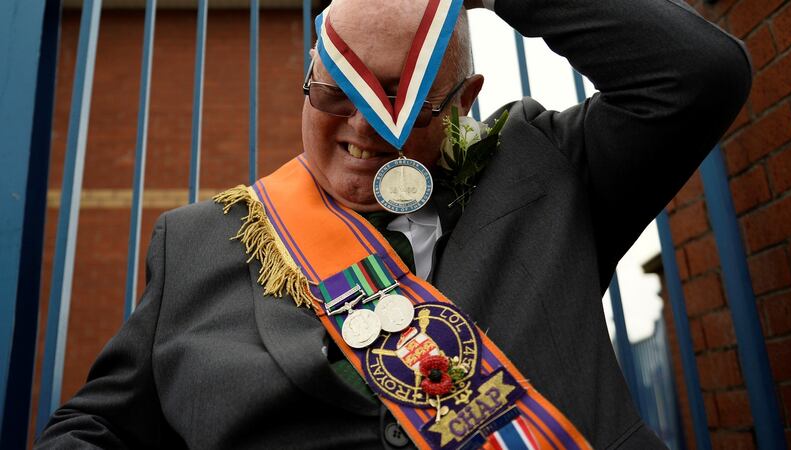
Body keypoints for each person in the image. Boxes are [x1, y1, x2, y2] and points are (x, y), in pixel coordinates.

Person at [35, 0, 751, 448]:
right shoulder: (197, 240)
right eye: (333, 94)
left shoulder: (548, 173)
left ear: (466, 97)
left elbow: (698, 75)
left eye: (400, 102)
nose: (364, 128)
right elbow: (94, 428)